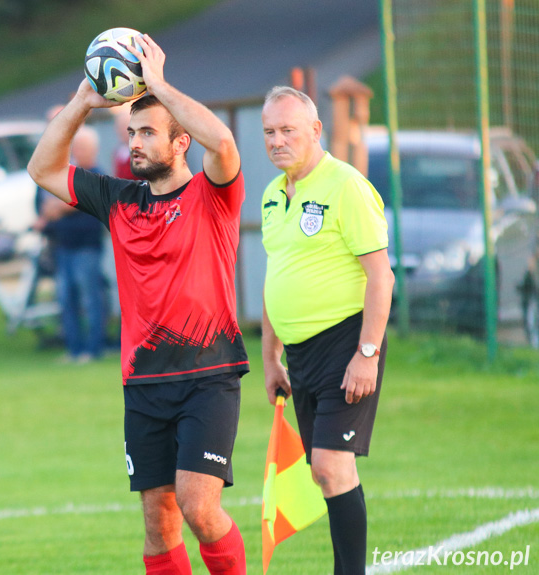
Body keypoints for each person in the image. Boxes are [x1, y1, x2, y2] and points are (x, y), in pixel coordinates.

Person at [28, 34, 249, 575]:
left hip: (208, 375)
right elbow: (43, 170)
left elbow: (221, 143)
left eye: (148, 133)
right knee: (158, 521)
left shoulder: (212, 196)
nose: (136, 143)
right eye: (132, 133)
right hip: (143, 383)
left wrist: (161, 86)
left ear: (179, 143)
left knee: (199, 507)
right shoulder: (118, 200)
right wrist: (83, 100)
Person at [258, 86, 394, 575]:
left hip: (345, 342)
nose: (277, 141)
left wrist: (368, 352)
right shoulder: (273, 195)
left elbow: (382, 275)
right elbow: (279, 277)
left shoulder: (346, 185)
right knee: (325, 472)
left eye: (288, 130)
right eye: (269, 132)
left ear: (316, 130)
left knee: (332, 466)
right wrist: (271, 356)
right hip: (298, 354)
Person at [35, 125, 107, 363]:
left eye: (83, 147)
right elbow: (50, 201)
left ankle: (93, 349)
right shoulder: (68, 175)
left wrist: (60, 208)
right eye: (77, 147)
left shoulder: (98, 175)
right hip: (63, 246)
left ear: (93, 150)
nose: (79, 151)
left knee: (90, 298)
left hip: (87, 246)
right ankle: (74, 348)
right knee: (66, 299)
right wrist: (54, 209)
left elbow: (79, 199)